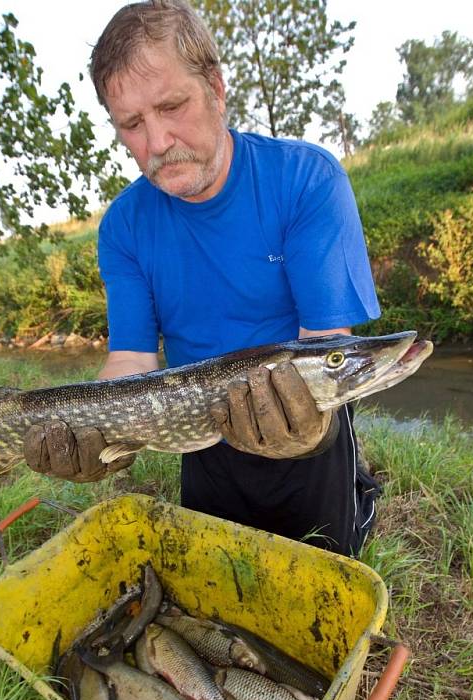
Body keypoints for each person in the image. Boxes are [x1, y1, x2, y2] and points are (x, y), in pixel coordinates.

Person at [24, 0, 382, 557]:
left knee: (324, 575)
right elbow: (131, 362)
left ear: (215, 87)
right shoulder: (123, 226)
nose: (158, 142)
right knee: (218, 576)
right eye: (132, 125)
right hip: (198, 430)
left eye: (171, 105)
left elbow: (327, 354)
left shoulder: (307, 180)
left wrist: (310, 433)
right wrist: (90, 432)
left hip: (307, 424)